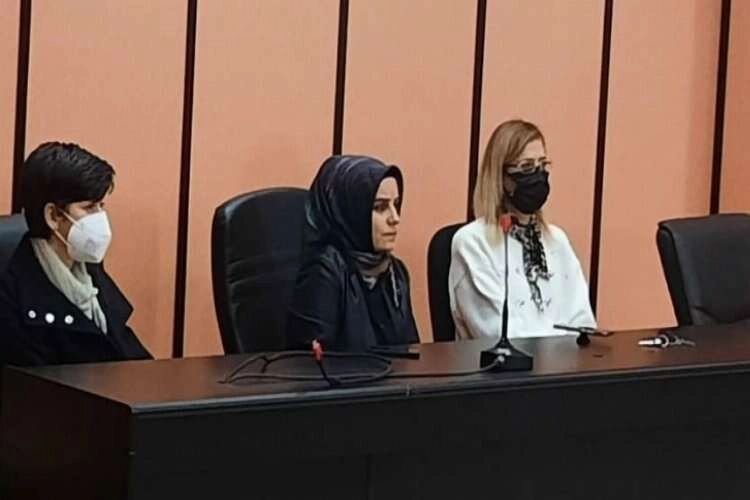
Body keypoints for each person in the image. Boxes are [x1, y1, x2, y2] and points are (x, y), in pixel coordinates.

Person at [0, 142, 151, 366]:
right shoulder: (12, 294)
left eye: (102, 206)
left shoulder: (87, 269)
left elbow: (133, 361)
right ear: (53, 216)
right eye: (89, 208)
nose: (100, 218)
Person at [449, 119, 596, 339]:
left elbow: (583, 324)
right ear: (500, 176)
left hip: (566, 360)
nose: (538, 175)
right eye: (526, 167)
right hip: (502, 362)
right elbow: (496, 332)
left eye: (542, 165)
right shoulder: (472, 242)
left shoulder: (556, 240)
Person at [286, 155, 419, 351]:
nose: (395, 218)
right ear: (351, 210)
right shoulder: (323, 271)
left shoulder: (395, 272)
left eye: (396, 204)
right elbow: (313, 363)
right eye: (379, 207)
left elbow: (411, 351)